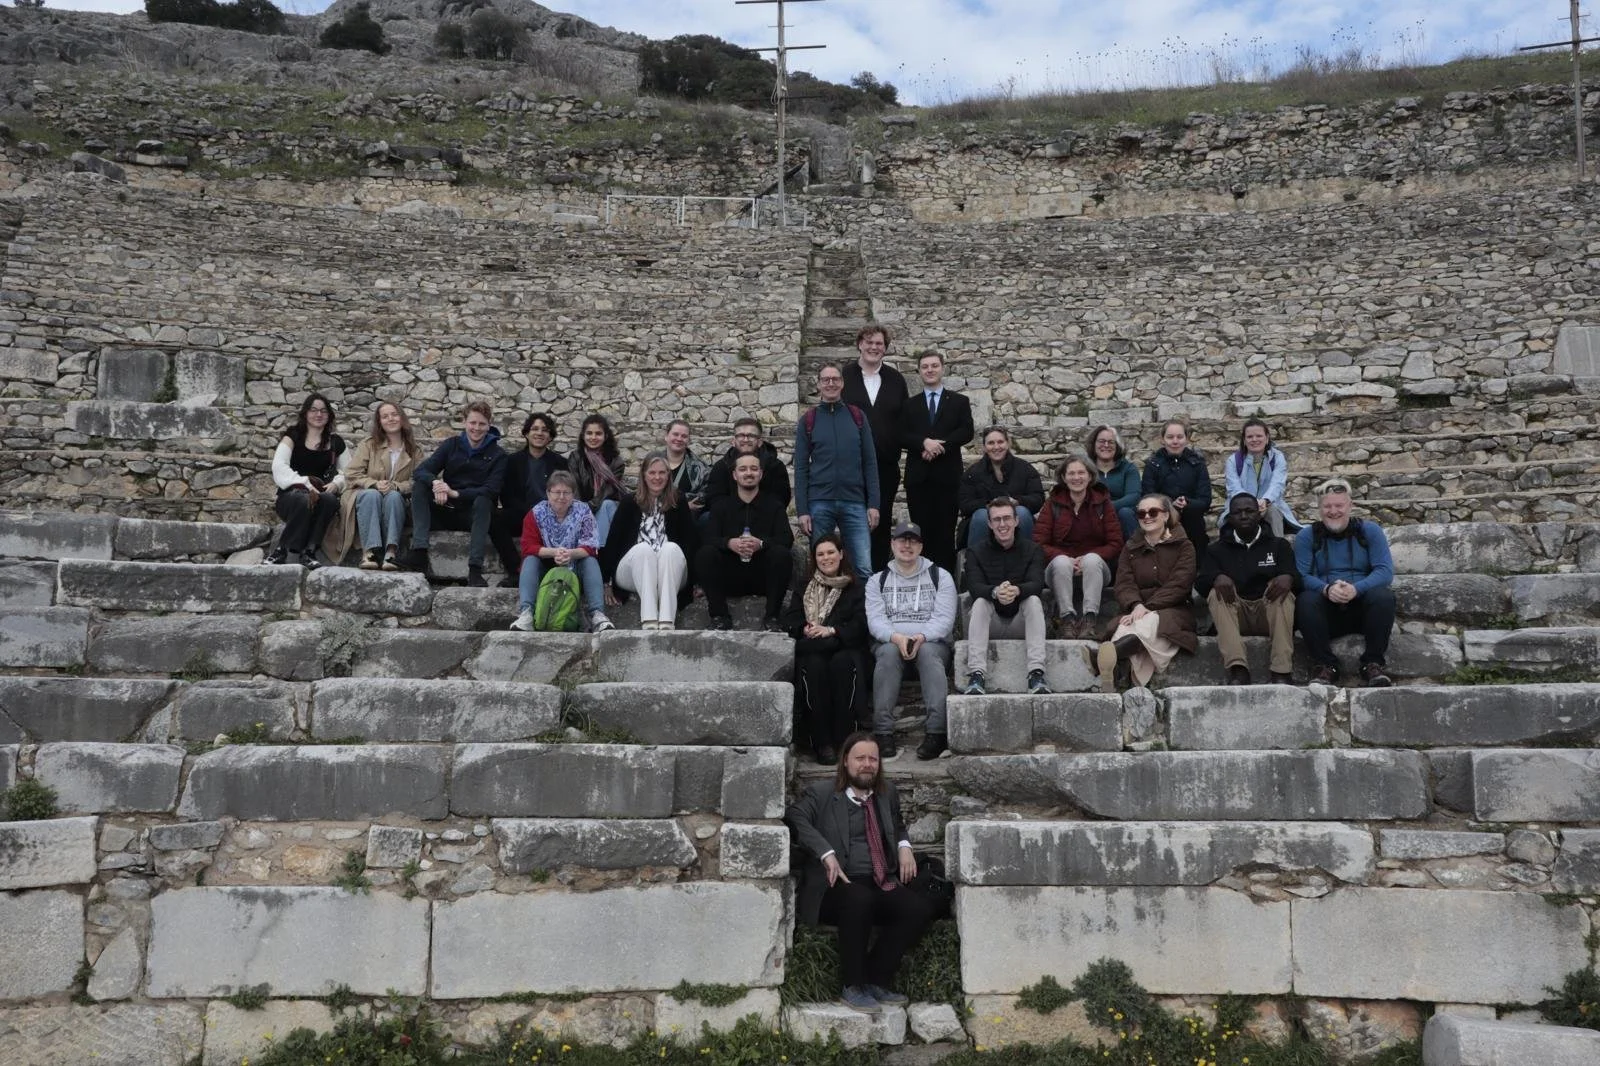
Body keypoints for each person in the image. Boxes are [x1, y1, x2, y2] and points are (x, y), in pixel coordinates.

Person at [785, 732, 937, 1016]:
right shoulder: (821, 793)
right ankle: (852, 985)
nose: (867, 764)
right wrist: (825, 852)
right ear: (845, 761)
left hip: (879, 880)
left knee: (916, 907)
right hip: (834, 887)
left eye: (873, 759)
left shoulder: (886, 793)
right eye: (860, 758)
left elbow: (898, 824)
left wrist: (904, 846)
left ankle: (877, 978)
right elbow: (795, 817)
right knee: (859, 898)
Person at [866, 522, 957, 761]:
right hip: (891, 642)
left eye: (913, 541)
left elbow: (944, 620)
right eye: (901, 540)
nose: (907, 545)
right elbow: (876, 622)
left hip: (931, 642)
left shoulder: (941, 576)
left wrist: (921, 637)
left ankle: (936, 731)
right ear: (892, 544)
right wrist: (897, 638)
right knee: (886, 653)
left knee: (927, 652)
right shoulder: (877, 581)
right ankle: (883, 732)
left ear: (921, 546)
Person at [1294, 478, 1396, 687]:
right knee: (1305, 600)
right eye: (1327, 506)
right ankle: (1325, 665)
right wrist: (1326, 589)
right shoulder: (1307, 535)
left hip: (1361, 609)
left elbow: (1385, 571)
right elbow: (1300, 575)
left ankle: (1373, 664)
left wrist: (1356, 589)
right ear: (1319, 509)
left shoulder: (1370, 531)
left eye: (1339, 505)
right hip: (1327, 611)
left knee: (1383, 596)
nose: (1333, 511)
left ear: (1350, 506)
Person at [782, 535, 870, 764]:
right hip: (813, 649)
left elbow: (860, 625)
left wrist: (831, 630)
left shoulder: (855, 586)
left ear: (841, 554)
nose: (826, 558)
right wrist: (807, 628)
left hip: (844, 646)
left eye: (831, 552)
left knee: (843, 665)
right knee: (813, 667)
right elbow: (791, 619)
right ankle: (821, 743)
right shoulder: (805, 586)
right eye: (820, 554)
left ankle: (844, 740)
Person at [1196, 493, 1298, 685]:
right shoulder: (1216, 549)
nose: (1244, 516)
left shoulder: (1279, 545)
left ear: (1259, 514)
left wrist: (1289, 577)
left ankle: (1281, 671)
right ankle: (1238, 669)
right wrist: (1216, 577)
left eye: (1249, 511)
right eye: (1238, 512)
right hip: (1236, 615)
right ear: (1230, 518)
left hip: (1268, 613)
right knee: (1215, 592)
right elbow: (1200, 584)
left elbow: (1299, 581)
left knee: (1283, 591)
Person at [1098, 494, 1197, 693]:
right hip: (1136, 609)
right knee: (1126, 625)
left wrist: (1147, 608)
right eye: (1141, 513)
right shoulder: (1131, 547)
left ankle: (1104, 657)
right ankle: (1114, 671)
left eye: (1153, 512)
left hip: (1173, 611)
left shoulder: (1184, 546)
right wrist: (1135, 605)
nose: (1147, 517)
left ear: (1166, 515)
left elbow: (1180, 584)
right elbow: (1124, 583)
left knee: (1147, 622)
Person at [404, 400, 506, 586]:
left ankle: (475, 570)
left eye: (482, 424)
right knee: (420, 486)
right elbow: (421, 471)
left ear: (489, 425)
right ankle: (419, 553)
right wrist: (436, 483)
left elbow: (492, 490)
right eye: (472, 423)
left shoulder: (498, 454)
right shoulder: (452, 445)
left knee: (484, 501)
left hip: (474, 516)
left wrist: (454, 493)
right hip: (445, 509)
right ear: (464, 422)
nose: (476, 428)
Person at [795, 362, 880, 579]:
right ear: (819, 384)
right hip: (819, 502)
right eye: (826, 380)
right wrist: (803, 510)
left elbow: (870, 462)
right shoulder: (808, 420)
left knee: (862, 567)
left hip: (854, 502)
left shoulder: (857, 417)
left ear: (842, 383)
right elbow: (801, 467)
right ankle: (820, 612)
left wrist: (873, 505)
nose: (830, 383)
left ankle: (863, 613)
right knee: (821, 567)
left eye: (835, 379)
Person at [962, 497, 1050, 700]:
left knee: (1034, 600)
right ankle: (977, 674)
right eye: (997, 520)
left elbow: (1037, 583)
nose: (1003, 524)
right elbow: (974, 587)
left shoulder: (1033, 549)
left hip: (1021, 622)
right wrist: (995, 592)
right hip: (990, 622)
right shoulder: (976, 552)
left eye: (1007, 518)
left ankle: (1036, 673)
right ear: (990, 524)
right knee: (980, 602)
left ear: (1017, 521)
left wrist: (1017, 591)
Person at [600, 452, 699, 630]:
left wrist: (697, 581)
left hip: (670, 571)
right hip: (633, 571)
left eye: (662, 473)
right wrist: (606, 582)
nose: (657, 477)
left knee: (671, 548)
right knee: (643, 549)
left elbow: (690, 542)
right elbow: (613, 542)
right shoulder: (629, 502)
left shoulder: (678, 501)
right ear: (644, 475)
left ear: (668, 475)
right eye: (652, 473)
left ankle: (667, 621)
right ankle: (650, 621)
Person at [696, 452, 794, 631]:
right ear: (735, 475)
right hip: (730, 575)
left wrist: (761, 544)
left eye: (753, 469)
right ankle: (719, 617)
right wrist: (729, 543)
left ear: (761, 474)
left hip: (762, 575)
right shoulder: (721, 506)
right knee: (706, 554)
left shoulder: (774, 505)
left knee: (781, 555)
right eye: (743, 469)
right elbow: (708, 538)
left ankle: (772, 618)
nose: (748, 473)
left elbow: (786, 538)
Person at [842, 324, 911, 571]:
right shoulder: (844, 376)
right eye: (869, 342)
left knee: (880, 523)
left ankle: (879, 577)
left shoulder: (895, 379)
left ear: (885, 348)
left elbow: (905, 419)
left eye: (879, 343)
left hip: (885, 465)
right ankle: (853, 580)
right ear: (860, 344)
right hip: (851, 466)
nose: (874, 347)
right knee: (853, 522)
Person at [899, 350, 973, 576]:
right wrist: (923, 443)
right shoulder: (910, 404)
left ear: (942, 368)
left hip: (947, 478)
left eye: (934, 366)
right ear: (919, 371)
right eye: (925, 367)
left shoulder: (960, 401)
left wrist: (940, 447)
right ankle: (922, 580)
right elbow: (901, 434)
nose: (929, 370)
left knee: (945, 533)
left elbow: (966, 431)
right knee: (921, 534)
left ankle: (946, 585)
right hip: (919, 479)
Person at [510, 471, 612, 634]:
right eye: (557, 492)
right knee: (530, 560)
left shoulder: (583, 512)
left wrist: (570, 554)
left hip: (575, 565)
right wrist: (554, 552)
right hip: (547, 568)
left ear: (573, 494)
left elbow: (590, 546)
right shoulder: (536, 513)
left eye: (566, 493)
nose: (561, 497)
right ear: (548, 493)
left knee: (591, 560)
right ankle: (526, 613)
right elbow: (528, 546)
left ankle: (598, 615)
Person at [1034, 456, 1124, 639]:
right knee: (1060, 562)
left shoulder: (1103, 503)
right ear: (1064, 478)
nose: (1077, 478)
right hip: (1059, 570)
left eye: (1081, 472)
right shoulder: (1052, 504)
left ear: (1090, 476)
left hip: (1095, 570)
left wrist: (1086, 557)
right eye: (1071, 473)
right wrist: (1067, 559)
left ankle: (1089, 620)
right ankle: (1067, 620)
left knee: (1091, 560)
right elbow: (1039, 543)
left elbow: (1115, 543)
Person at [266, 392, 348, 569]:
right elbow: (279, 467)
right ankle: (282, 549)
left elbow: (349, 472)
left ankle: (309, 551)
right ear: (305, 413)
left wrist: (337, 483)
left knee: (330, 501)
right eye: (313, 410)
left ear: (329, 416)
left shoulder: (336, 443)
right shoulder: (293, 436)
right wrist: (305, 484)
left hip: (322, 495)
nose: (319, 414)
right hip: (292, 496)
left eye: (323, 411)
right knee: (303, 499)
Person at [336, 401, 420, 571]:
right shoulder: (369, 445)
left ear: (402, 418)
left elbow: (417, 480)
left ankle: (391, 551)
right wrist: (374, 483)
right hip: (365, 495)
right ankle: (369, 551)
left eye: (394, 414)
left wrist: (395, 486)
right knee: (371, 495)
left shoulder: (415, 450)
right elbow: (352, 473)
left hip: (397, 499)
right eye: (385, 416)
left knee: (394, 496)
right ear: (380, 422)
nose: (391, 419)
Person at [490, 412, 569, 586]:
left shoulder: (560, 463)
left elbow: (566, 493)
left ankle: (550, 576)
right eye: (535, 429)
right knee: (495, 519)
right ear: (526, 433)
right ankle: (516, 571)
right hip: (523, 514)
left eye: (545, 430)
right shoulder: (512, 461)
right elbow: (507, 495)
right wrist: (531, 513)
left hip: (552, 517)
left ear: (550, 436)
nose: (539, 433)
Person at [957, 426, 1045, 549]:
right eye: (991, 443)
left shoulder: (1025, 469)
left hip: (1016, 515)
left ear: (1008, 444)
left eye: (1000, 442)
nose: (996, 447)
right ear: (984, 447)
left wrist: (1018, 502)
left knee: (1022, 513)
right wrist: (989, 505)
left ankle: (1027, 559)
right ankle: (975, 562)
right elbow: (964, 504)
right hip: (984, 519)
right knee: (981, 516)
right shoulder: (973, 473)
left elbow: (1038, 498)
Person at [1140, 419, 1212, 554]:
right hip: (1161, 516)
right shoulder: (1153, 464)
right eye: (1170, 437)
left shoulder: (1197, 464)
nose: (1175, 441)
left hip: (1191, 517)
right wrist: (1170, 505)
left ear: (1187, 439)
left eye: (1179, 437)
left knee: (1193, 519)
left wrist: (1187, 502)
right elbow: (1147, 496)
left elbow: (1205, 500)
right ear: (1162, 439)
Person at [1223, 418, 1301, 538]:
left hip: (1269, 504)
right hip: (1242, 506)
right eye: (1249, 437)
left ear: (1267, 438)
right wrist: (1252, 504)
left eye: (1259, 436)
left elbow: (1277, 484)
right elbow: (1234, 489)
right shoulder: (1233, 461)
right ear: (1244, 440)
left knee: (1273, 512)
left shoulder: (1277, 458)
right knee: (1239, 516)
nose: (1254, 440)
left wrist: (1265, 500)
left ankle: (1278, 550)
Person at [701, 417, 792, 516]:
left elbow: (780, 498)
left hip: (764, 517)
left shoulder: (775, 466)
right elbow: (714, 498)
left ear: (760, 441)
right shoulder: (721, 466)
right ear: (733, 441)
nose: (745, 439)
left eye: (751, 435)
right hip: (729, 516)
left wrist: (752, 512)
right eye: (740, 435)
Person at [570, 414, 628, 548]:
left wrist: (589, 507)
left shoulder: (615, 462)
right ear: (583, 435)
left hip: (603, 507)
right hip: (582, 508)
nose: (593, 437)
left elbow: (607, 491)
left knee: (606, 505)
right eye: (589, 433)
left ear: (605, 436)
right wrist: (582, 510)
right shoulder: (576, 457)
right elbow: (574, 486)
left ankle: (599, 550)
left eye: (598, 433)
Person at [1088, 424, 1143, 537]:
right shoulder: (1085, 468)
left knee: (1125, 513)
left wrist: (1106, 507)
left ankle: (1135, 552)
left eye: (1111, 442)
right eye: (1102, 441)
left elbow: (1134, 496)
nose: (1106, 445)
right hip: (1092, 513)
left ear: (1117, 446)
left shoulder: (1128, 468)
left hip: (1121, 514)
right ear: (1094, 444)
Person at [663, 419, 711, 516]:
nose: (679, 439)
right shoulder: (652, 462)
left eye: (684, 436)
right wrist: (681, 505)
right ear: (666, 436)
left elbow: (701, 499)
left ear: (688, 440)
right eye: (675, 434)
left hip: (686, 520)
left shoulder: (701, 468)